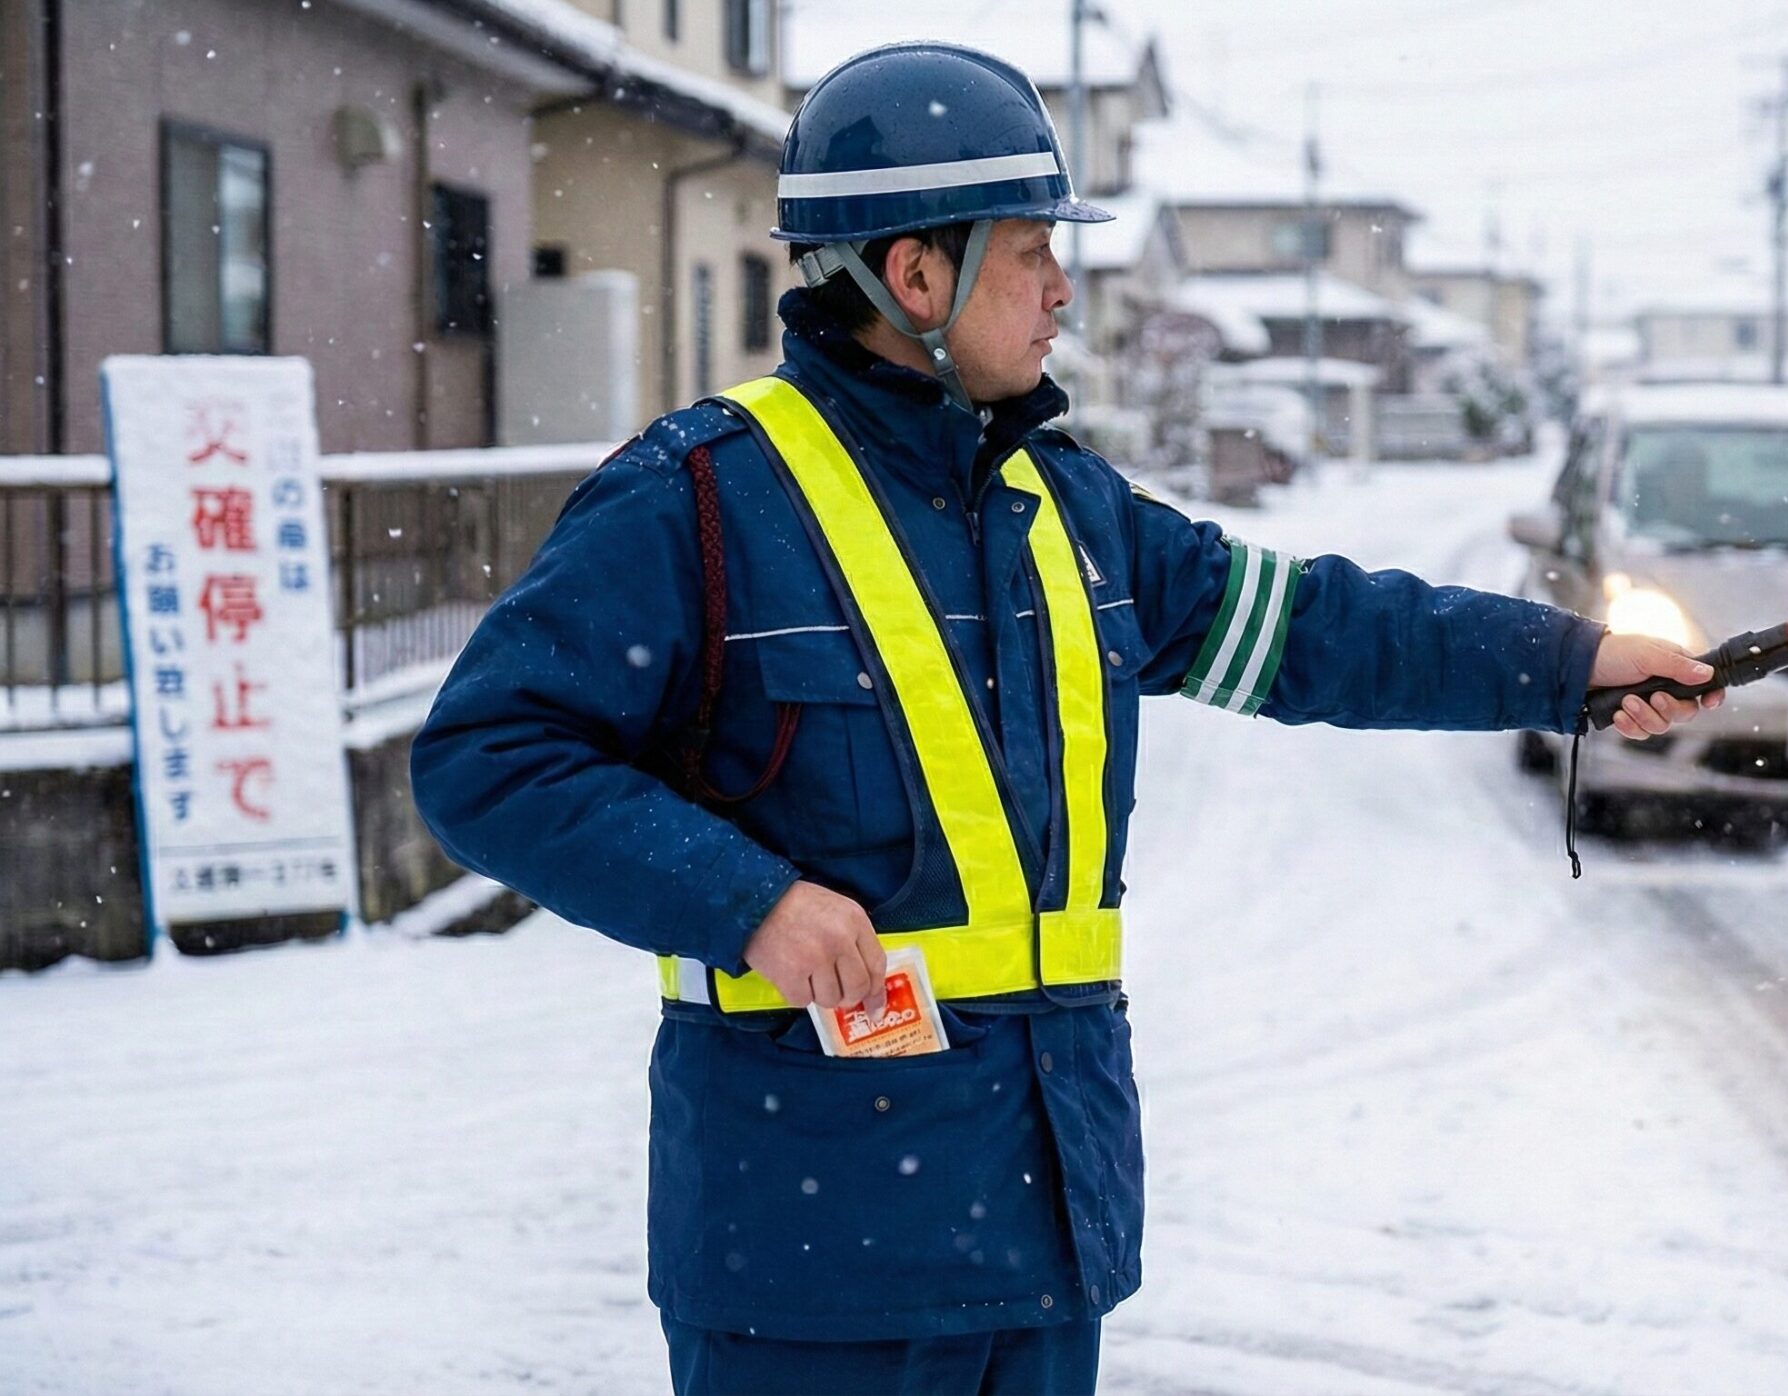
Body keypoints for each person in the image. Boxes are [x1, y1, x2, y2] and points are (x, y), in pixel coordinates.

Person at [410, 40, 1717, 1396]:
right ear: (914, 275)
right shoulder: (699, 500)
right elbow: (489, 759)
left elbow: (1319, 629)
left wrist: (1571, 664)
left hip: (1044, 1227)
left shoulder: (1063, 508)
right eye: (1028, 249)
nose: (1061, 286)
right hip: (811, 1259)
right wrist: (748, 903)